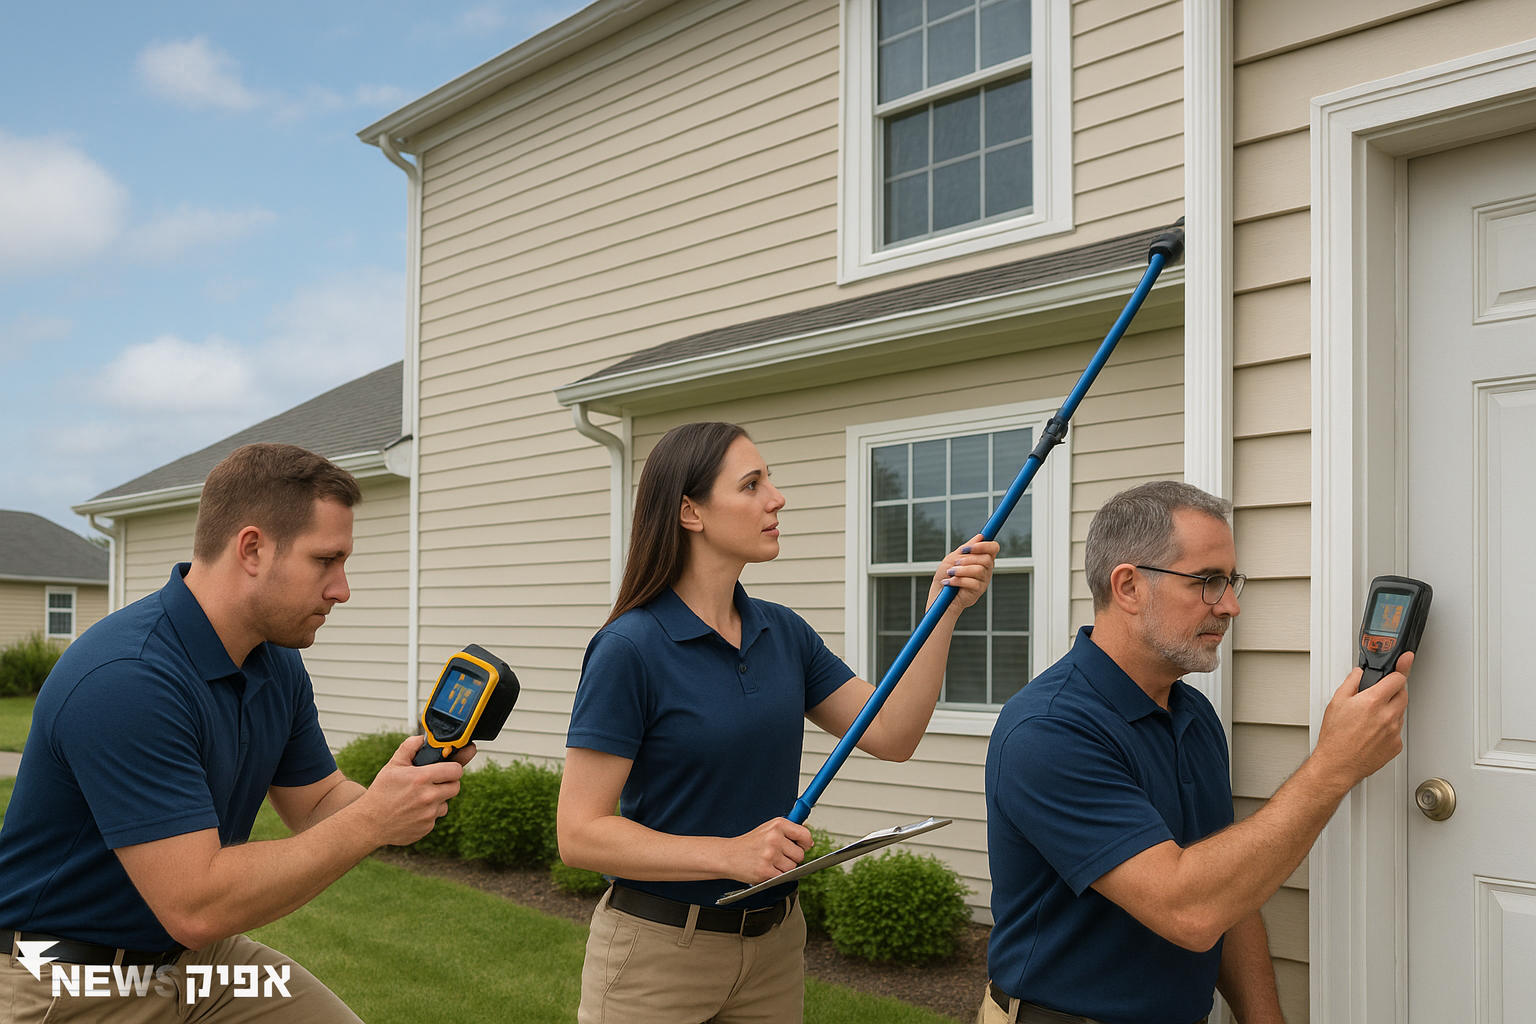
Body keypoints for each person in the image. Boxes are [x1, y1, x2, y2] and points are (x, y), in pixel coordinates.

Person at [0, 443, 471, 1022]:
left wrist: (399, 796)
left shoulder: (274, 662)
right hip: (73, 974)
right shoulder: (128, 679)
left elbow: (319, 803)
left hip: (197, 966)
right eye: (326, 560)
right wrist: (372, 820)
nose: (342, 589)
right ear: (251, 549)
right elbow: (197, 905)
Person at [558, 421, 997, 1024]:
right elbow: (579, 834)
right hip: (657, 958)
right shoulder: (630, 648)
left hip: (774, 947)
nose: (776, 498)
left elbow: (893, 734)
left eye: (771, 480)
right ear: (691, 512)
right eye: (752, 484)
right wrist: (729, 854)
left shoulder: (782, 632)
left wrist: (942, 612)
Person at [982, 481, 1411, 1024]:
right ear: (1129, 586)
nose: (1230, 605)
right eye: (1208, 582)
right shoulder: (1049, 731)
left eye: (1231, 582)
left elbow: (1228, 886)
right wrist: (1333, 766)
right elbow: (1189, 907)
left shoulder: (1191, 714)